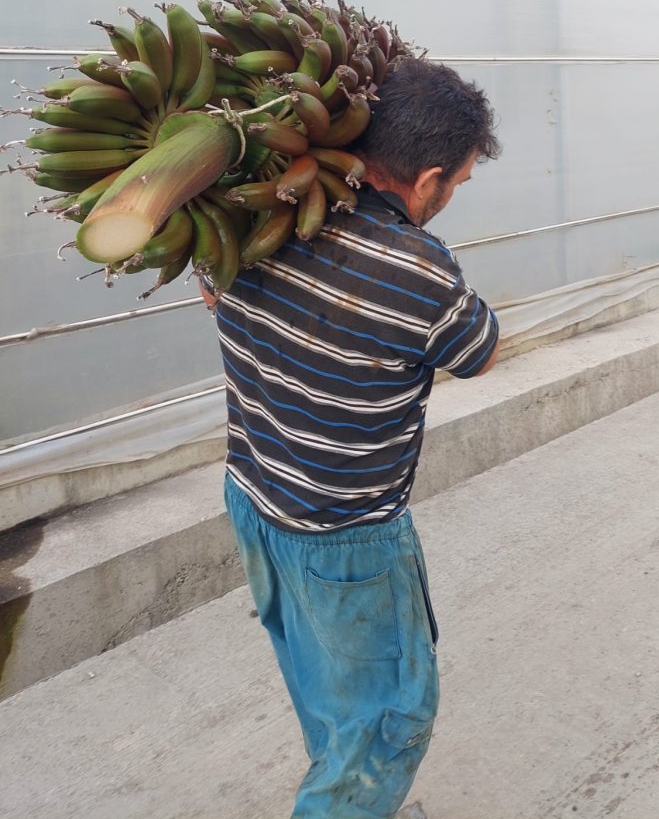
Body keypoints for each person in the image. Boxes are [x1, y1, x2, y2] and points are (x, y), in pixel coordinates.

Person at [201, 57, 501, 818]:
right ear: (426, 177)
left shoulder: (242, 218)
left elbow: (215, 295)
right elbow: (480, 352)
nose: (449, 200)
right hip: (346, 539)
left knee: (321, 681)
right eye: (456, 185)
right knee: (388, 724)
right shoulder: (418, 269)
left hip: (255, 495)